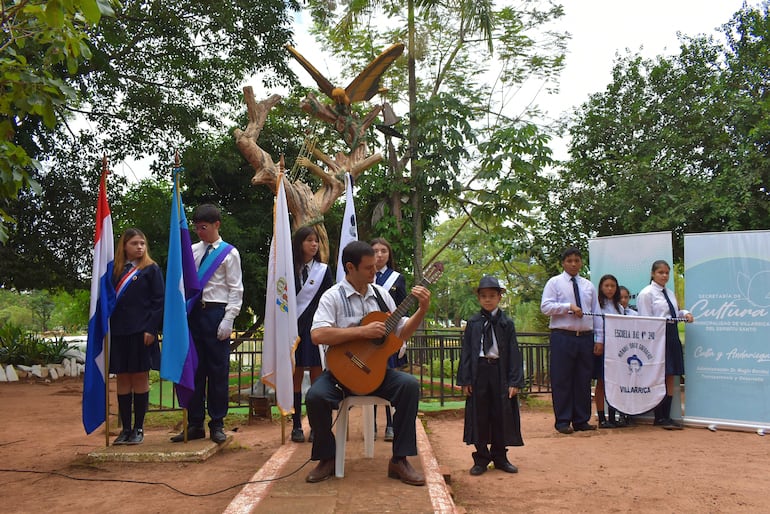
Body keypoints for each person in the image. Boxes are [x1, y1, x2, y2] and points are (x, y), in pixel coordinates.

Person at [305, 241, 431, 485]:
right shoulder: (332, 296)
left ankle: (399, 460)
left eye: (375, 266)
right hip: (340, 375)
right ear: (350, 268)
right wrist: (361, 333)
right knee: (315, 397)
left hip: (377, 374)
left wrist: (422, 310)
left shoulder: (382, 296)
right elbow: (317, 335)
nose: (375, 272)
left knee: (409, 386)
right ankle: (327, 457)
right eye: (369, 268)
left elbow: (401, 334)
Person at [171, 204, 243, 444]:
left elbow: (235, 289)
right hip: (194, 315)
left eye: (204, 227)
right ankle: (194, 423)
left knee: (217, 372)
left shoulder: (229, 253)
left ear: (216, 225)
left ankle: (217, 423)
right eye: (197, 227)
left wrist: (229, 318)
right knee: (194, 369)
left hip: (216, 313)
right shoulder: (191, 251)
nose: (200, 232)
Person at [457, 275, 524, 476]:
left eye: (492, 296)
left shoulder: (506, 323)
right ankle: (481, 458)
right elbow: (467, 351)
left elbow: (513, 351)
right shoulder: (473, 323)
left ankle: (500, 457)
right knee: (479, 414)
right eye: (484, 296)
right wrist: (466, 379)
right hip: (479, 372)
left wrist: (514, 381)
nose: (488, 299)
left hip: (499, 371)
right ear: (479, 298)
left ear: (499, 297)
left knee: (501, 413)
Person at [109, 228, 165, 445]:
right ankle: (125, 429)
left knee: (140, 377)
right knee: (123, 378)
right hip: (119, 332)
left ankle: (139, 428)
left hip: (142, 332)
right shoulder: (114, 271)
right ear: (124, 246)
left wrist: (151, 329)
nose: (139, 247)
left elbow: (158, 301)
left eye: (142, 243)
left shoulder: (151, 270)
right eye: (134, 243)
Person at [540, 247, 603, 434]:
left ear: (581, 262)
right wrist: (568, 307)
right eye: (569, 261)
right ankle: (563, 420)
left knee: (583, 379)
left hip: (584, 337)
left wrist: (599, 339)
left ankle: (581, 419)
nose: (573, 264)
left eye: (577, 260)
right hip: (562, 336)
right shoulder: (555, 283)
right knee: (562, 379)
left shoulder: (588, 285)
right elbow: (545, 307)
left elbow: (596, 313)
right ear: (563, 263)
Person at [636, 260, 693, 430]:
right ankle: (658, 416)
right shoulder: (646, 293)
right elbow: (645, 320)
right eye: (661, 272)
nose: (664, 276)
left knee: (670, 374)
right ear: (653, 274)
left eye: (667, 273)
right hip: (656, 336)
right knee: (658, 374)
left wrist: (686, 314)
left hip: (672, 333)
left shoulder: (669, 292)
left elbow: (674, 313)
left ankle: (666, 416)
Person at [291, 226, 333, 443]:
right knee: (295, 375)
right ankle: (296, 424)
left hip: (316, 327)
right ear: (300, 243)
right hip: (293, 328)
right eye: (309, 240)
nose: (314, 245)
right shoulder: (288, 269)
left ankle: (317, 425)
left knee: (317, 375)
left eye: (316, 241)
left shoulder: (323, 270)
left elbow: (329, 298)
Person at [370, 237, 408, 442]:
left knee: (390, 377)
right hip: (369, 338)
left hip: (390, 337)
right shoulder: (365, 278)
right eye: (375, 251)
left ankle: (390, 424)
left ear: (389, 254)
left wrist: (402, 336)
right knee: (372, 378)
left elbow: (404, 308)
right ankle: (373, 423)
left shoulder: (397, 278)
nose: (379, 254)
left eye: (383, 250)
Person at [594, 274, 623, 429]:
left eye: (613, 286)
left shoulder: (620, 307)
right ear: (601, 287)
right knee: (601, 382)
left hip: (617, 350)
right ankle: (601, 418)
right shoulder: (598, 306)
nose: (610, 289)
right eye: (607, 286)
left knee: (615, 383)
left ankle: (613, 416)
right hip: (603, 348)